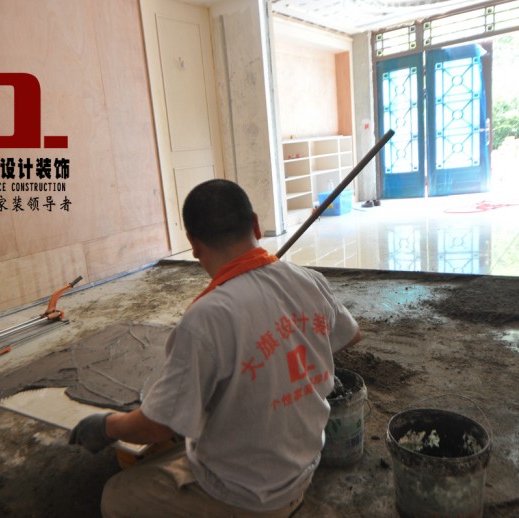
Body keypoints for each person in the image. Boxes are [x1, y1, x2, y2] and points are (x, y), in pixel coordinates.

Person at [69, 179, 361, 517]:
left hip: (249, 497)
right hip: (305, 462)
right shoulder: (309, 279)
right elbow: (350, 335)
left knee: (116, 495)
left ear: (194, 245)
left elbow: (157, 426)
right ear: (255, 225)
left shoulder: (205, 318)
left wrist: (107, 425)